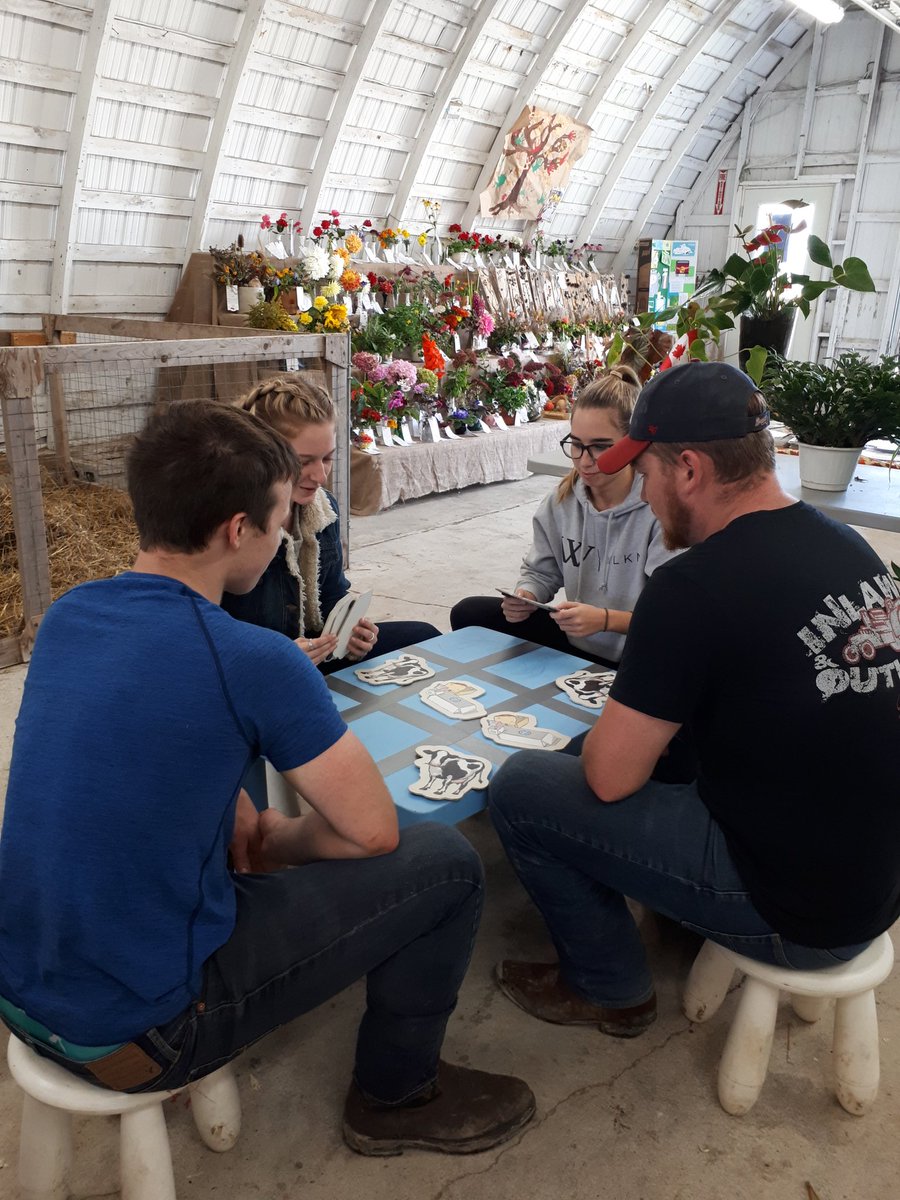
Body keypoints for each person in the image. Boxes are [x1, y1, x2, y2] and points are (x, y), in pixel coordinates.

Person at [0, 399, 534, 1155]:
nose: (289, 529)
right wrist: (279, 839)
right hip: (143, 1036)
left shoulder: (68, 617)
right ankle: (397, 1094)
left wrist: (243, 826)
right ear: (237, 531)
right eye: (282, 515)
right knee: (443, 863)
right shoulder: (252, 659)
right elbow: (373, 830)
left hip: (19, 987)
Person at [487, 362, 900, 1039]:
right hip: (872, 884)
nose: (643, 497)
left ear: (687, 471)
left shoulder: (692, 587)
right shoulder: (850, 549)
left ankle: (607, 984)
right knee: (613, 751)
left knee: (526, 785)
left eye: (644, 475)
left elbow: (608, 779)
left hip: (795, 913)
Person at [450, 366, 679, 667]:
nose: (585, 460)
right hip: (575, 640)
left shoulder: (658, 508)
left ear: (631, 443)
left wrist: (605, 620)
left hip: (637, 655)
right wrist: (525, 595)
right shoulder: (563, 499)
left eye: (600, 446)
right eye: (576, 444)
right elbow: (541, 572)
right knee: (469, 613)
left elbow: (671, 622)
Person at [221, 374, 439, 671]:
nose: (321, 476)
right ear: (260, 454)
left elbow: (333, 595)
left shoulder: (324, 508)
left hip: (313, 653)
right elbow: (211, 638)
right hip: (258, 672)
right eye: (304, 461)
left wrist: (355, 633)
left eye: (327, 458)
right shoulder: (229, 523)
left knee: (425, 636)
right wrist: (278, 658)